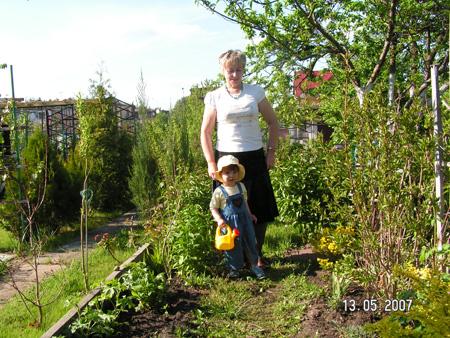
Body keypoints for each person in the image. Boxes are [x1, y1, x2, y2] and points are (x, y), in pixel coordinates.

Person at [200, 49, 279, 269]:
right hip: (226, 159)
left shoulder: (255, 92)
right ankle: (235, 258)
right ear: (223, 72)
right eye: (230, 71)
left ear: (243, 70)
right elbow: (205, 132)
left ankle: (256, 256)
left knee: (259, 209)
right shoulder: (214, 96)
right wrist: (211, 163)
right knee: (229, 209)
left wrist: (270, 153)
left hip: (254, 156)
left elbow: (273, 122)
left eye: (238, 70)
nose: (234, 75)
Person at [210, 155, 265, 279]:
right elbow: (213, 207)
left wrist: (250, 214)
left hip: (245, 221)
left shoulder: (241, 187)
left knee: (250, 241)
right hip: (229, 224)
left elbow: (245, 202)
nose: (231, 175)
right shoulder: (219, 191)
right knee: (232, 246)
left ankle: (254, 265)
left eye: (234, 171)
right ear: (221, 175)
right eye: (227, 172)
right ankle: (234, 268)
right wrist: (219, 220)